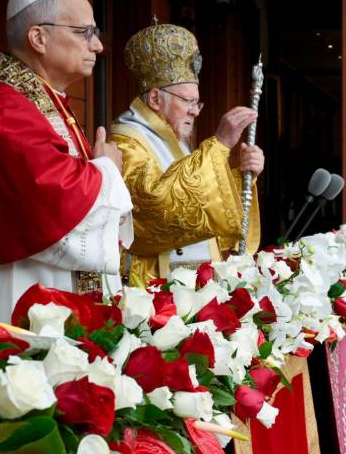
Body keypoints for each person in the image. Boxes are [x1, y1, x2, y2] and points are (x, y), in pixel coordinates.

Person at [0, 0, 133, 325]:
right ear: (38, 38)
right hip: (19, 291)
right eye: (84, 32)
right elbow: (51, 196)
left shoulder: (48, 104)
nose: (97, 46)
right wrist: (107, 170)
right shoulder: (1, 109)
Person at [111, 23, 264, 282]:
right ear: (155, 99)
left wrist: (243, 177)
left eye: (197, 102)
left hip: (192, 282)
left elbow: (199, 204)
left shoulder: (173, 139)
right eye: (188, 101)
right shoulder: (126, 142)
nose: (195, 110)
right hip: (153, 284)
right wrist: (219, 145)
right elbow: (156, 210)